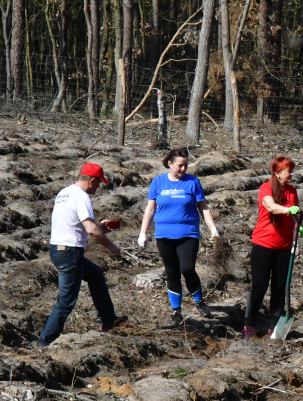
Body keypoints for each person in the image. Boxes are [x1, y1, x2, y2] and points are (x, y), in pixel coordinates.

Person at [39, 163, 127, 346]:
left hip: (58, 249)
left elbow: (75, 224)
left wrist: (100, 228)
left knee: (95, 275)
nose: (98, 187)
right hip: (69, 252)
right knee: (66, 300)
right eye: (98, 183)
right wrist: (112, 248)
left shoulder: (65, 192)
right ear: (92, 180)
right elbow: (92, 231)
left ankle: (108, 320)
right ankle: (46, 342)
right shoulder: (81, 196)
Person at [138, 148, 219, 329]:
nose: (183, 169)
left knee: (187, 268)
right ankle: (177, 311)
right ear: (170, 163)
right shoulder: (158, 182)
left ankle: (199, 302)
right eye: (180, 165)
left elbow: (203, 208)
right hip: (164, 235)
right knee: (172, 272)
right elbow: (150, 209)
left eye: (186, 165)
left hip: (188, 234)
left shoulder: (193, 183)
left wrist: (213, 228)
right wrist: (143, 233)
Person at [244, 156, 303, 338]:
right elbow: (271, 207)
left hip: (284, 247)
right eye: (288, 171)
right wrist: (287, 210)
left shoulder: (293, 192)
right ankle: (249, 324)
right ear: (277, 172)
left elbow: (295, 215)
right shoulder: (265, 188)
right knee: (259, 286)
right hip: (263, 244)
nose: (292, 174)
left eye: (292, 170)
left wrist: (297, 226)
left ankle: (274, 325)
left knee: (279, 287)